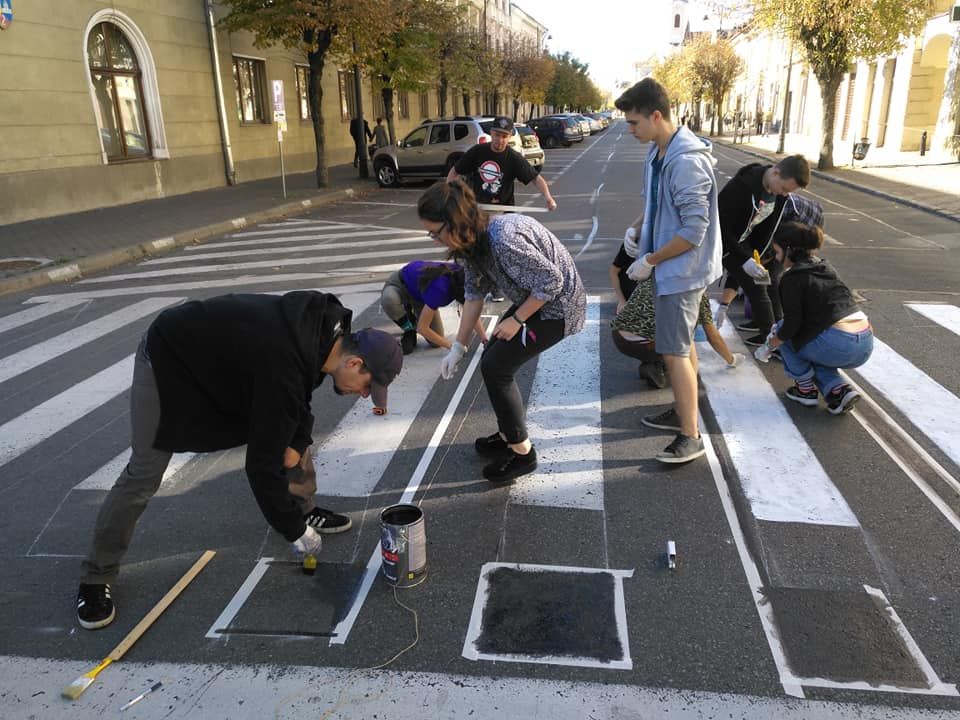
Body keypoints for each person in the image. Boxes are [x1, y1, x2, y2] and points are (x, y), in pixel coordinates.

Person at [76, 292, 402, 630]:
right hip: (168, 357)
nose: (365, 395)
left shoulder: (325, 338)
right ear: (354, 363)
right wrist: (291, 531)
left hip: (227, 364)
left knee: (291, 434)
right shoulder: (285, 363)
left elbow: (297, 400)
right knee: (144, 472)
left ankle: (303, 511)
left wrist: (297, 440)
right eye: (368, 386)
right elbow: (260, 465)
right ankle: (95, 577)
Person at [417, 180, 585, 482]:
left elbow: (552, 282)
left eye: (435, 232)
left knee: (497, 367)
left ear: (454, 222)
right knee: (492, 355)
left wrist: (516, 319)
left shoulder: (503, 238)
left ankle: (522, 454)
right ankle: (509, 432)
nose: (434, 240)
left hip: (559, 308)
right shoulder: (472, 241)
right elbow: (473, 295)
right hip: (537, 301)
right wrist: (458, 347)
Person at [615, 77, 722, 464]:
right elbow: (657, 203)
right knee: (683, 344)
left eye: (633, 122)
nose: (629, 129)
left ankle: (691, 436)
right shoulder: (659, 151)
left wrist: (651, 259)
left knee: (673, 351)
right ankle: (682, 410)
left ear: (656, 116)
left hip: (682, 270)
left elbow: (694, 231)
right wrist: (637, 229)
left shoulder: (686, 162)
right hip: (668, 267)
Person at [755, 222, 872, 414]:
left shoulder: (792, 279)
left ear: (789, 250)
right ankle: (838, 390)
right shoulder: (825, 266)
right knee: (811, 344)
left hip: (838, 342)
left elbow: (791, 326)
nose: (776, 258)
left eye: (777, 252)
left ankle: (805, 390)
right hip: (865, 341)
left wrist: (769, 345)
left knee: (782, 330)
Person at [716, 155, 811, 346]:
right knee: (756, 286)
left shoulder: (779, 195)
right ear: (775, 172)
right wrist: (744, 259)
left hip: (745, 245)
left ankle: (772, 334)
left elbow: (764, 230)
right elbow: (720, 227)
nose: (784, 194)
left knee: (763, 282)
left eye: (789, 192)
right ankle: (771, 339)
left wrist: (756, 256)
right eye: (784, 188)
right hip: (721, 242)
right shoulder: (742, 187)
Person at [714, 192, 824, 334]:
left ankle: (771, 329)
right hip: (783, 225)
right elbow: (738, 272)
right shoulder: (743, 236)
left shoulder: (761, 230)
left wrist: (772, 343)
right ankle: (764, 322)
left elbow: (748, 266)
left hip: (802, 223)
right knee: (761, 277)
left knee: (768, 280)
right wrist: (724, 305)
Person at [611, 278, 743, 383]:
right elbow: (712, 336)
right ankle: (660, 367)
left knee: (659, 326)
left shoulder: (659, 272)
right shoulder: (696, 289)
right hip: (646, 344)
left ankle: (652, 362)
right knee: (685, 333)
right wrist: (732, 359)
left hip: (618, 337)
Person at [446, 116, 557, 211]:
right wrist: (449, 195)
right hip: (479, 211)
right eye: (497, 135)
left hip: (504, 211)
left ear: (509, 137)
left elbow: (535, 178)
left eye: (504, 136)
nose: (500, 140)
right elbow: (455, 171)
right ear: (491, 133)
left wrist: (548, 198)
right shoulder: (477, 151)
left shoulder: (513, 157)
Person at [380, 260, 489, 355]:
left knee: (435, 342)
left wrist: (484, 339)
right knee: (389, 299)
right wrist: (452, 347)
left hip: (422, 295)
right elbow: (422, 328)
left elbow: (471, 311)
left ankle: (414, 315)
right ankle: (409, 329)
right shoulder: (441, 291)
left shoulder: (462, 277)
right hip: (401, 284)